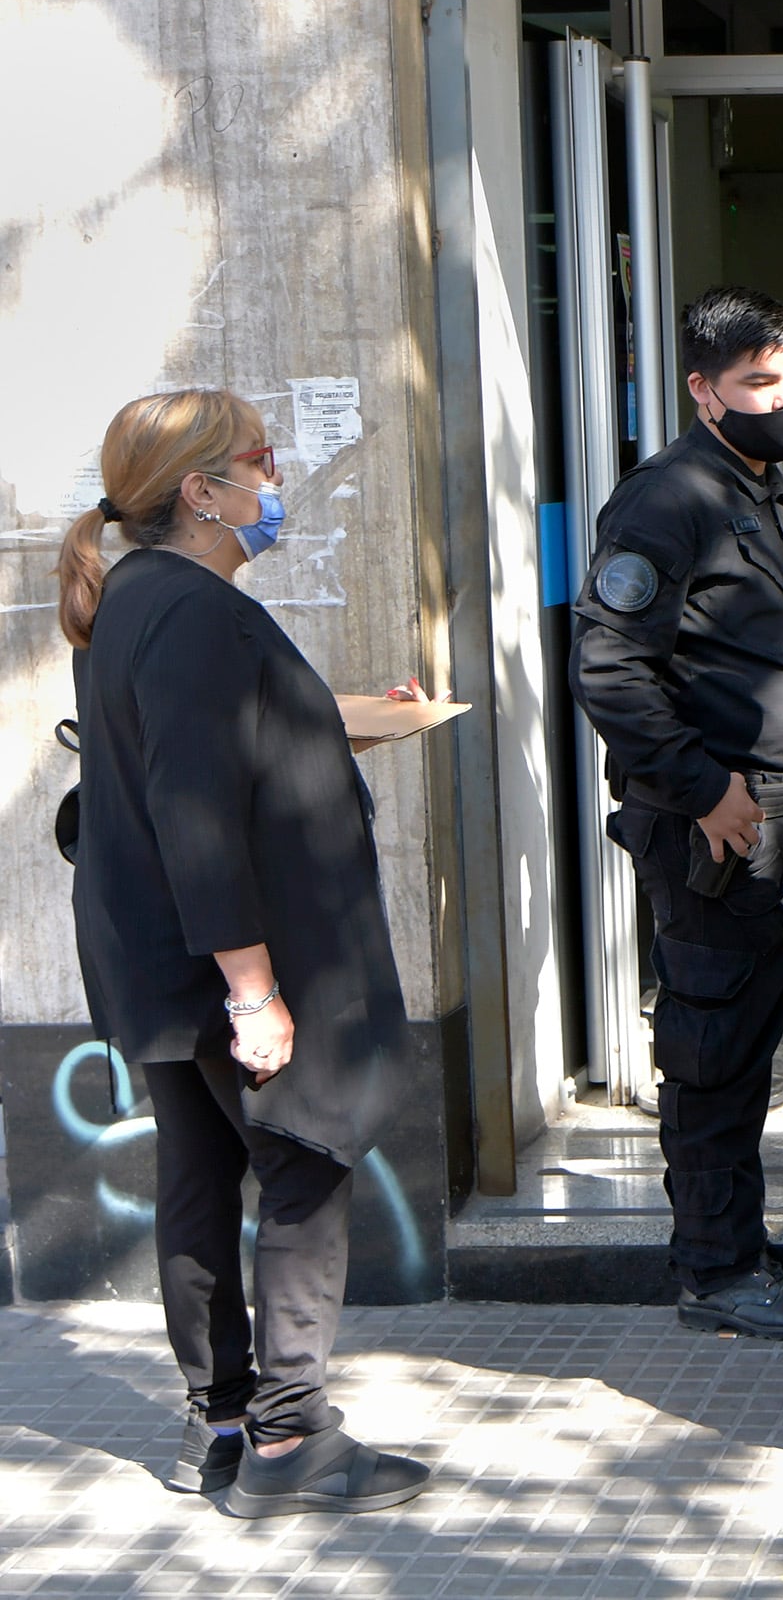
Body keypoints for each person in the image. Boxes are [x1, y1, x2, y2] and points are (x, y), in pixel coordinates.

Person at [59, 389, 430, 1517]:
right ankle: (287, 1443)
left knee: (200, 1174)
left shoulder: (139, 598)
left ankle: (218, 1423)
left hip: (155, 956)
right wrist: (254, 992)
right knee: (302, 1167)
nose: (276, 481)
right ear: (200, 492)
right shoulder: (192, 611)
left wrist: (332, 723)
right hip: (227, 962)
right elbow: (198, 807)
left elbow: (207, 754)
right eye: (259, 463)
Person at [569, 286, 783, 1341]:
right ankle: (720, 1270)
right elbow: (608, 666)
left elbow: (776, 636)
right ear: (701, 389)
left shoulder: (764, 485)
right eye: (757, 384)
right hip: (723, 825)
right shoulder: (667, 499)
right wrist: (705, 789)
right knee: (715, 1054)